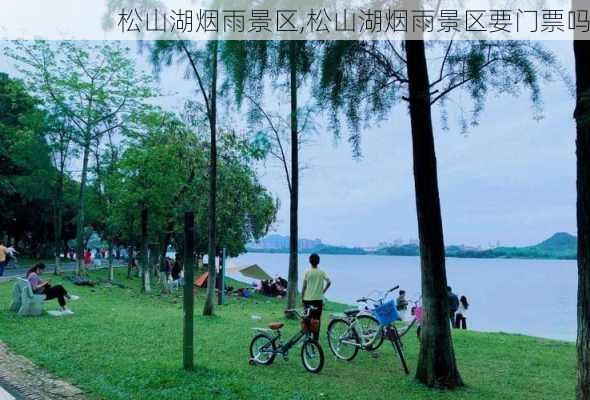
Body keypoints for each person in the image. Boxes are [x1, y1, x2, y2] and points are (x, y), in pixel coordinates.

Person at [301, 253, 331, 341]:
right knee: (317, 320)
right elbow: (329, 282)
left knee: (307, 319)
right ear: (318, 262)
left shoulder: (307, 272)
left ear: (310, 261)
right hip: (318, 300)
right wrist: (323, 292)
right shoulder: (322, 272)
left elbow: (304, 287)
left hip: (307, 300)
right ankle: (315, 339)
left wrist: (302, 298)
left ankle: (307, 338)